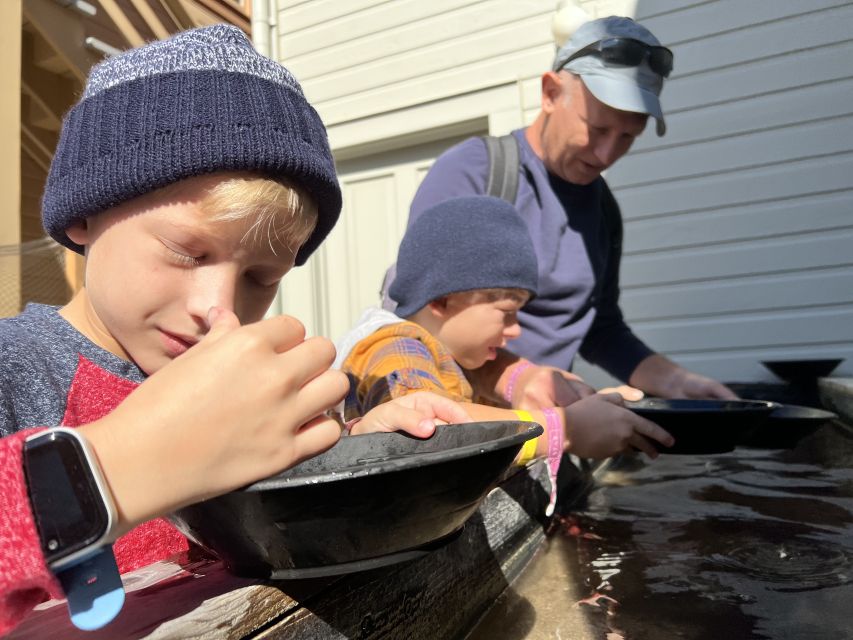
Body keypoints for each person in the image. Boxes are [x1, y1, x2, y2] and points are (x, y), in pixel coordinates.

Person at [0, 25, 470, 634]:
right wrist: (109, 473)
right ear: (85, 213)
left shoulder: (248, 386)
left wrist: (355, 455)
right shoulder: (14, 368)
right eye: (186, 252)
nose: (217, 309)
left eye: (260, 276)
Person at [385, 16, 736, 403]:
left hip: (555, 423)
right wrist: (520, 379)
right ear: (550, 93)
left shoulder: (604, 210)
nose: (606, 155)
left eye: (627, 138)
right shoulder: (477, 172)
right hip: (470, 426)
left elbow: (601, 329)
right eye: (598, 129)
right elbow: (412, 310)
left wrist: (676, 381)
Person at [339, 196, 673, 483]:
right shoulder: (395, 345)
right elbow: (429, 430)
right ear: (442, 300)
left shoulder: (449, 347)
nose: (516, 330)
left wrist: (585, 404)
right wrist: (561, 430)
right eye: (506, 311)